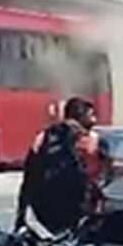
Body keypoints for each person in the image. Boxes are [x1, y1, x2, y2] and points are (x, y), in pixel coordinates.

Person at [15, 96, 111, 233]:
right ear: (81, 117)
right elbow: (105, 174)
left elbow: (29, 176)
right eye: (91, 116)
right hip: (77, 207)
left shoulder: (44, 136)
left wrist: (21, 214)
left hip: (44, 206)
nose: (94, 120)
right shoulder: (94, 140)